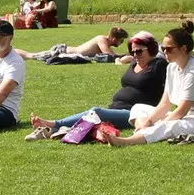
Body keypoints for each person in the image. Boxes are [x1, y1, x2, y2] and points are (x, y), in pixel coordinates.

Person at [27, 32, 165, 137]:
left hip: (135, 113)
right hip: (117, 107)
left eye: (139, 51)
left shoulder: (159, 65)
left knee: (96, 112)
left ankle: (54, 124)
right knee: (95, 119)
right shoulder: (135, 62)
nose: (135, 54)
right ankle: (59, 130)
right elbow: (123, 61)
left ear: (151, 49)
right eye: (132, 51)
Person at [110, 22, 194, 145]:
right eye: (163, 48)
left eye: (169, 49)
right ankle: (141, 132)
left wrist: (160, 123)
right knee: (138, 108)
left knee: (169, 126)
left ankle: (128, 141)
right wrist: (148, 122)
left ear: (183, 49)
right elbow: (165, 104)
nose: (165, 52)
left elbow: (182, 110)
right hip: (182, 117)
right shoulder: (171, 67)